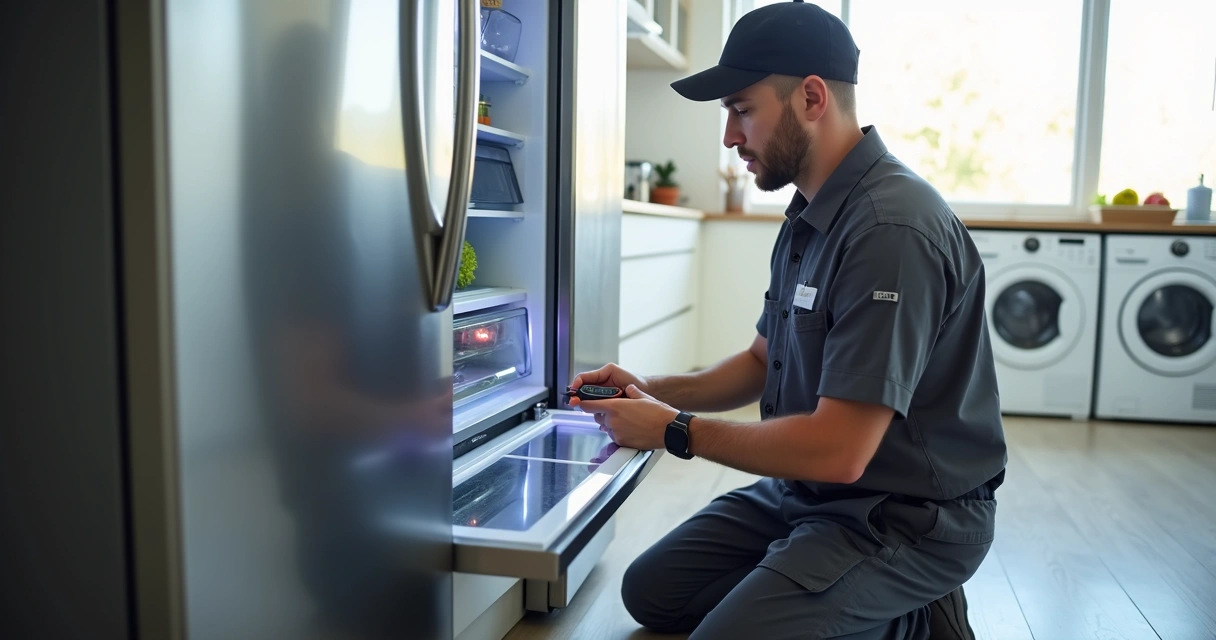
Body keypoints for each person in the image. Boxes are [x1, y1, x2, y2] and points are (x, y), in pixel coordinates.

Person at [567, 1, 1007, 638]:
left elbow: (840, 449)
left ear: (810, 97)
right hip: (810, 494)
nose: (729, 136)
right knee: (652, 594)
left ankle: (915, 619)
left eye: (742, 110)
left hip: (905, 517)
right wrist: (648, 392)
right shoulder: (810, 211)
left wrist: (676, 430)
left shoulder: (890, 230)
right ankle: (817, 589)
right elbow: (757, 362)